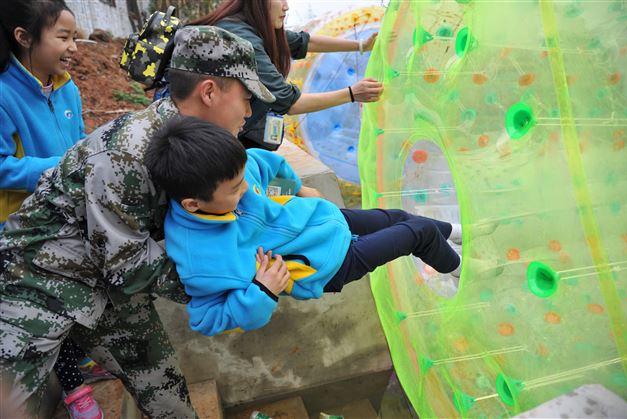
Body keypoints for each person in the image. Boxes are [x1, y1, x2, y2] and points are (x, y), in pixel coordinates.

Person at [0, 25, 274, 418]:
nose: (249, 113)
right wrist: (233, 282)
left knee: (166, 391)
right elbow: (129, 266)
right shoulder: (127, 154)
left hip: (107, 282)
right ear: (209, 92)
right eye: (246, 99)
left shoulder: (194, 147)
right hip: (36, 280)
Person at [144, 116, 464, 337]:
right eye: (234, 190)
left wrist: (296, 189)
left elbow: (268, 163)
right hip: (331, 266)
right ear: (192, 204)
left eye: (243, 182)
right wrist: (261, 290)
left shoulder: (228, 172)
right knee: (416, 234)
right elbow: (206, 319)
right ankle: (462, 271)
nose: (245, 191)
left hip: (324, 218)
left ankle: (455, 233)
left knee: (396, 217)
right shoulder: (201, 256)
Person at [0, 1, 112, 418]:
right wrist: (55, 167)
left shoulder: (67, 87)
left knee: (83, 290)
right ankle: (74, 391)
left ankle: (82, 359)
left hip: (69, 213)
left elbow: (79, 139)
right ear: (24, 37)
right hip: (23, 228)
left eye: (73, 37)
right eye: (63, 38)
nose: (74, 48)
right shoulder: (4, 94)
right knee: (50, 303)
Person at [189, 0, 384, 150]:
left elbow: (305, 42)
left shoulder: (251, 26)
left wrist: (360, 46)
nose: (286, 6)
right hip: (211, 139)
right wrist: (352, 94)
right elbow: (290, 103)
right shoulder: (242, 39)